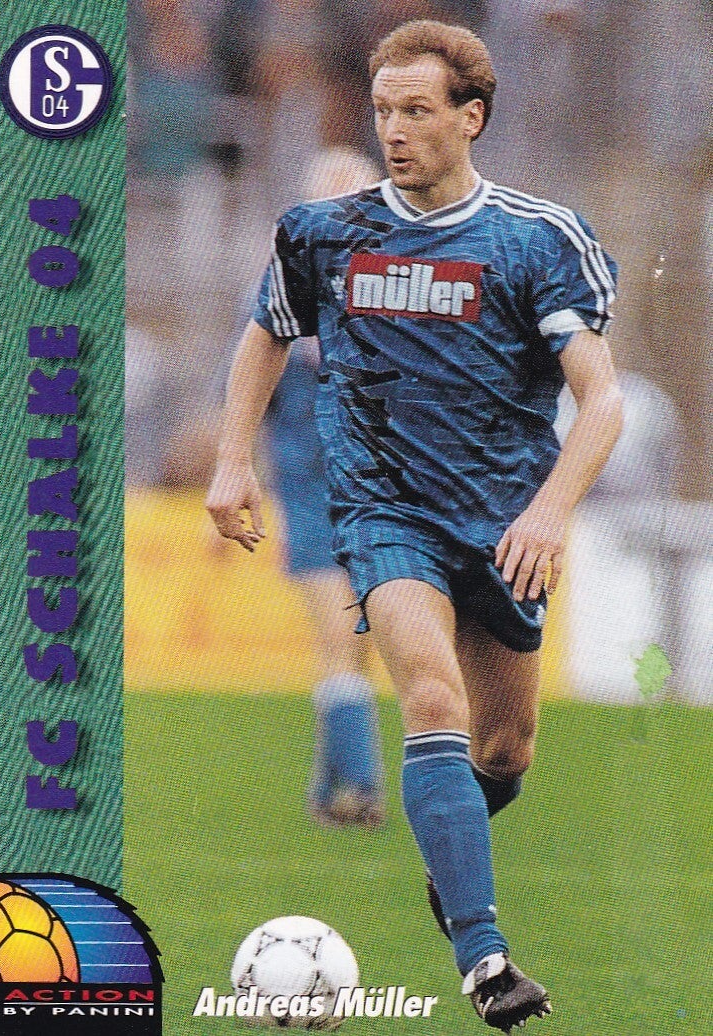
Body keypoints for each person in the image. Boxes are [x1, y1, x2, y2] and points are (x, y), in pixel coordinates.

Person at [207, 19, 622, 1032]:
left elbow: (601, 399)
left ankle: (453, 848)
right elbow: (266, 332)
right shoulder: (324, 234)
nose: (394, 129)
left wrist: (548, 512)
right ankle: (485, 960)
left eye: (418, 111)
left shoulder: (537, 239)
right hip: (384, 511)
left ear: (470, 117)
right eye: (383, 109)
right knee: (430, 697)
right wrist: (231, 458)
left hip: (506, 521)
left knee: (505, 750)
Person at [265, 148, 386, 826]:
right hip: (311, 498)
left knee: (352, 646)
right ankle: (363, 788)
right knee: (342, 636)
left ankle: (325, 791)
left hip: (378, 499)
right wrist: (236, 477)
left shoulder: (396, 295)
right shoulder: (282, 293)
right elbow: (246, 397)